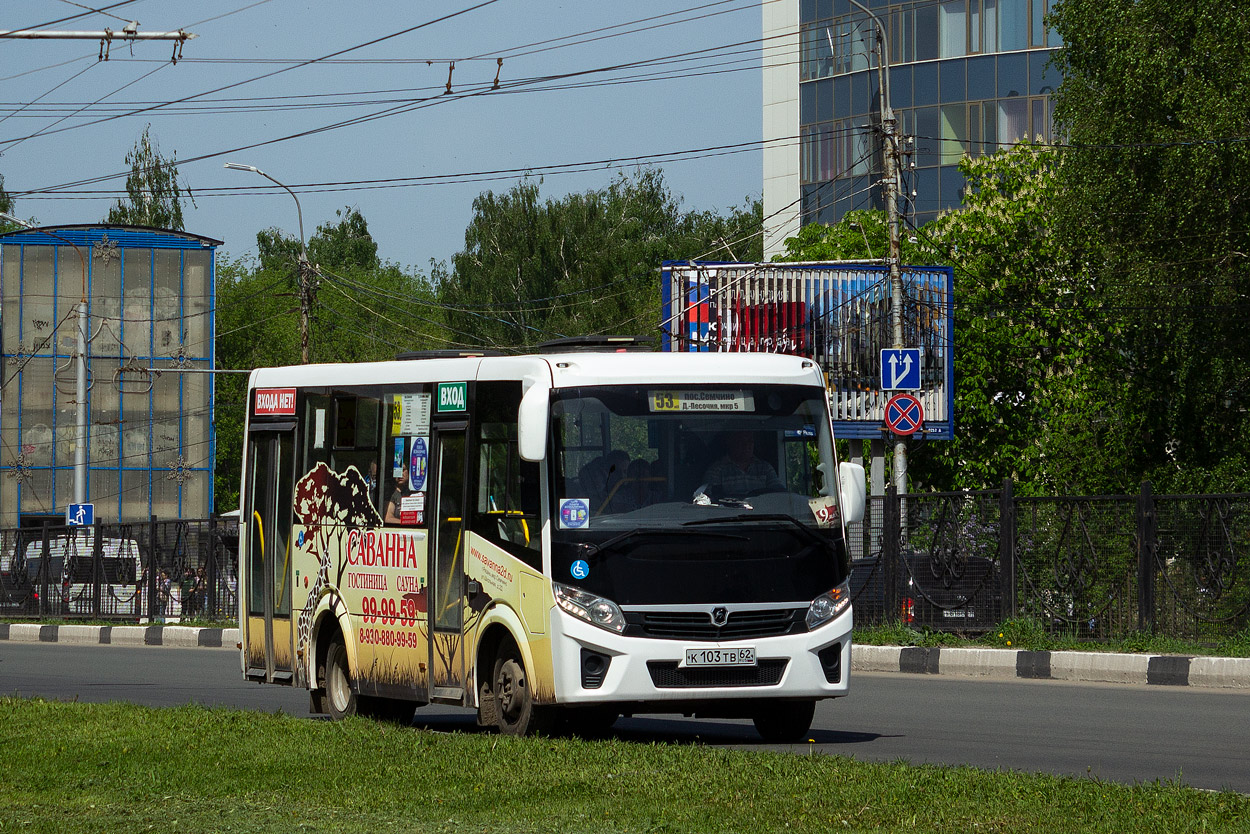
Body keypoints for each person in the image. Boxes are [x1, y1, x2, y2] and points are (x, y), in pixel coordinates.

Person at [701, 431, 784, 497]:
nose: (746, 445)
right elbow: (708, 500)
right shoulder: (716, 471)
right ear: (730, 442)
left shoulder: (765, 468)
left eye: (750, 441)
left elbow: (779, 494)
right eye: (741, 441)